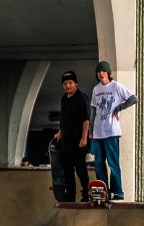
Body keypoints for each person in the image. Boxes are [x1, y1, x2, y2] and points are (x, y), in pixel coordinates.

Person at [89, 61, 137, 201]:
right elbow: (93, 110)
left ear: (108, 72)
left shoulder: (116, 86)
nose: (101, 73)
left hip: (111, 131)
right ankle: (104, 192)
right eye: (99, 72)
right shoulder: (96, 89)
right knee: (98, 163)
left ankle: (118, 192)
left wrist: (118, 108)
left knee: (113, 163)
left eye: (103, 71)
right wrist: (91, 131)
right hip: (97, 132)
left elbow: (133, 98)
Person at [55, 70, 92, 202]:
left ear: (75, 83)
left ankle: (86, 195)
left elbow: (86, 120)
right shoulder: (64, 99)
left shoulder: (82, 98)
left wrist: (84, 137)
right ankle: (70, 196)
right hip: (66, 141)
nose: (68, 86)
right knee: (67, 170)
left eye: (70, 83)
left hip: (78, 141)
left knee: (80, 168)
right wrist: (60, 132)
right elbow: (63, 119)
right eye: (65, 83)